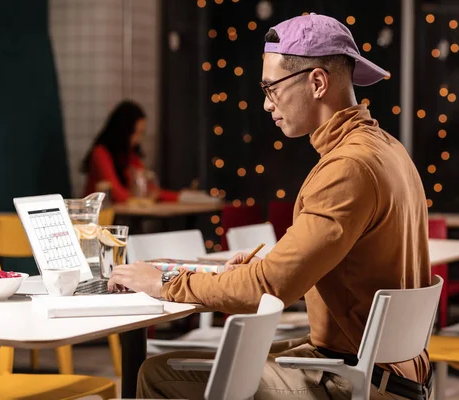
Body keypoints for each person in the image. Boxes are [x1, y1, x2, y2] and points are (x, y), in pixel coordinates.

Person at [108, 13, 432, 399]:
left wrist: (162, 283)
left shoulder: (347, 167)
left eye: (271, 88)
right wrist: (268, 267)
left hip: (358, 378)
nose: (266, 104)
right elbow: (320, 266)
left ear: (316, 82)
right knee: (216, 358)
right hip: (386, 369)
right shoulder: (388, 150)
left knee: (159, 373)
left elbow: (268, 288)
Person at [82, 100, 178, 203]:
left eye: (141, 133)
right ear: (123, 131)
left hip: (122, 215)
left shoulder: (130, 154)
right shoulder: (101, 153)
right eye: (135, 133)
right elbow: (116, 194)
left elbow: (150, 189)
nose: (138, 140)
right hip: (98, 215)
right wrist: (143, 197)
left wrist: (182, 196)